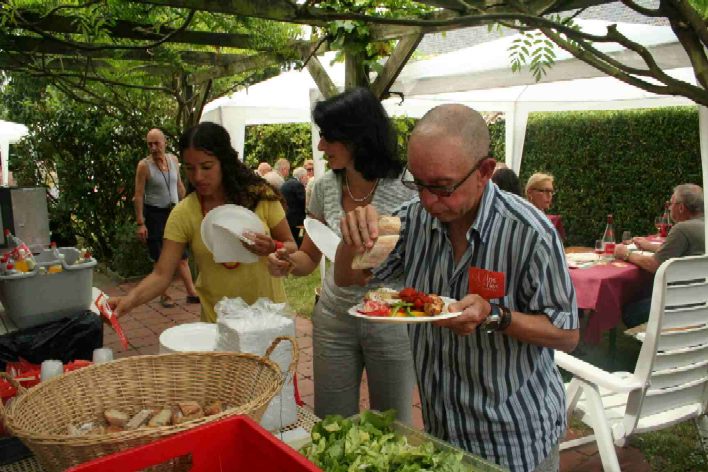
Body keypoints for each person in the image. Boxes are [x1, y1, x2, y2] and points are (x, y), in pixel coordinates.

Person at [334, 104, 579, 472]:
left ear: (484, 172)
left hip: (515, 438)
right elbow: (348, 276)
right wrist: (353, 236)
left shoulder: (530, 233)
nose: (428, 200)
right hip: (444, 433)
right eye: (418, 183)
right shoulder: (413, 219)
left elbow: (567, 334)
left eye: (442, 187)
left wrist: (496, 315)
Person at [268, 87, 418, 424]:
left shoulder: (408, 188)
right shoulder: (323, 187)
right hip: (334, 318)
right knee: (332, 423)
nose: (321, 146)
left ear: (358, 135)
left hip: (390, 320)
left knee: (393, 425)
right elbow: (308, 259)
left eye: (328, 136)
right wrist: (286, 260)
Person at [113, 122, 296, 322]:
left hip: (269, 321)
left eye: (206, 167)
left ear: (224, 162)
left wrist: (273, 247)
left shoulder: (260, 197)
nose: (198, 177)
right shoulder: (184, 213)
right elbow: (161, 275)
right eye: (190, 168)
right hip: (217, 326)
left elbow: (291, 246)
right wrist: (127, 302)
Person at [614, 184, 704, 328]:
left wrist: (626, 254)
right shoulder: (702, 225)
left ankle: (656, 339)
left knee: (630, 310)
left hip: (680, 303)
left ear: (681, 207)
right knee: (644, 291)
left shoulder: (682, 229)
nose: (669, 208)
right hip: (701, 299)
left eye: (671, 203)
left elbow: (654, 265)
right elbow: (683, 251)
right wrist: (648, 246)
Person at [134, 128, 199, 308]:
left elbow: (179, 186)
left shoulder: (173, 160)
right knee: (160, 257)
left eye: (157, 143)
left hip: (174, 212)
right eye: (150, 144)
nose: (153, 148)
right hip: (155, 214)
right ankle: (165, 294)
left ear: (165, 143)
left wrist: (189, 207)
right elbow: (138, 195)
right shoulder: (144, 166)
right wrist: (140, 223)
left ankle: (191, 292)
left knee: (182, 256)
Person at [281, 166, 307, 245]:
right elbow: (304, 202)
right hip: (296, 219)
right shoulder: (298, 185)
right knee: (297, 241)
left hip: (287, 217)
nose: (306, 180)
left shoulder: (286, 183)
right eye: (306, 177)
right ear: (302, 177)